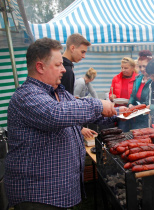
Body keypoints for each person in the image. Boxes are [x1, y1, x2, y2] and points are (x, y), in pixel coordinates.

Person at [4, 38, 119, 209]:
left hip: (59, 193)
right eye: (58, 65)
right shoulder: (26, 96)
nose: (64, 69)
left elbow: (80, 113)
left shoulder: (59, 92)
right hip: (38, 196)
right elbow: (56, 114)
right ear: (40, 67)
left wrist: (119, 113)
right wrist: (99, 104)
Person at [128, 50, 152, 129]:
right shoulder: (138, 78)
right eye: (140, 66)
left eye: (144, 66)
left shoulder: (153, 81)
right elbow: (133, 95)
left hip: (148, 117)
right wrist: (130, 104)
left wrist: (136, 108)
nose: (142, 69)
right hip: (137, 116)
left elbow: (150, 100)